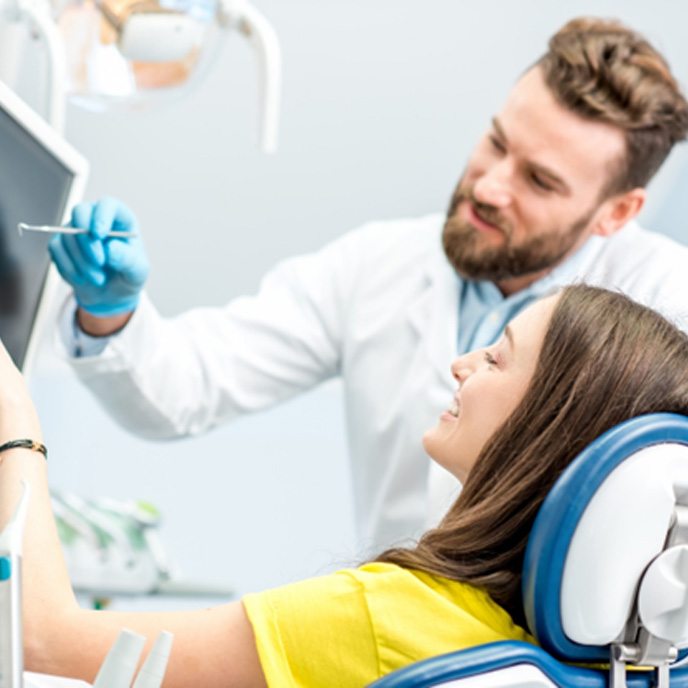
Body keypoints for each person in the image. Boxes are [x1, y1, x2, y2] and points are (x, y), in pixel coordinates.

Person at [48, 17, 688, 553]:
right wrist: (113, 314)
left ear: (618, 212)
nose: (491, 186)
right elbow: (185, 388)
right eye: (496, 143)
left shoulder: (667, 306)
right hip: (392, 641)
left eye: (539, 182)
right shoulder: (380, 266)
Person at [6, 285, 688, 686]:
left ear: (548, 427)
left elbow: (37, 636)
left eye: (495, 357)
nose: (460, 365)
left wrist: (16, 422)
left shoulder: (392, 616)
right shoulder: (590, 667)